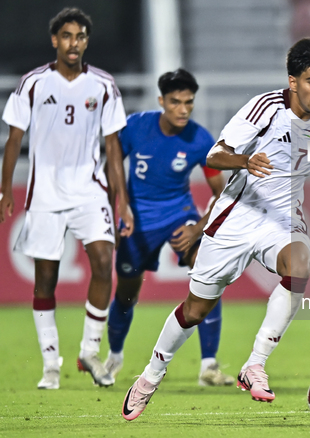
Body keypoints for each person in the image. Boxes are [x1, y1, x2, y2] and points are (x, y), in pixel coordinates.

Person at [121, 37, 310, 420]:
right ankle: (150, 377)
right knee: (194, 309)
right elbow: (214, 155)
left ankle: (254, 364)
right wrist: (245, 161)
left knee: (300, 267)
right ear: (293, 81)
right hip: (236, 216)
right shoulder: (265, 109)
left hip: (282, 217)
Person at [0, 8, 133, 389]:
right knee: (45, 279)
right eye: (67, 36)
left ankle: (90, 350)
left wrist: (120, 200)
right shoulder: (33, 84)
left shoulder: (104, 86)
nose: (74, 43)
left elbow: (112, 148)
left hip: (90, 191)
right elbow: (14, 140)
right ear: (55, 40)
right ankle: (49, 364)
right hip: (45, 195)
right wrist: (5, 189)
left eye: (81, 36)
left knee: (104, 261)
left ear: (87, 41)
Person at [103, 68, 232, 387]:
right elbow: (113, 158)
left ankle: (209, 366)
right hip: (139, 221)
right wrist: (120, 207)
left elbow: (223, 193)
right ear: (161, 100)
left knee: (209, 274)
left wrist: (199, 228)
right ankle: (114, 358)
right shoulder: (136, 126)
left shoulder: (201, 139)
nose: (183, 109)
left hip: (179, 215)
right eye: (175, 102)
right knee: (127, 294)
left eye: (189, 102)